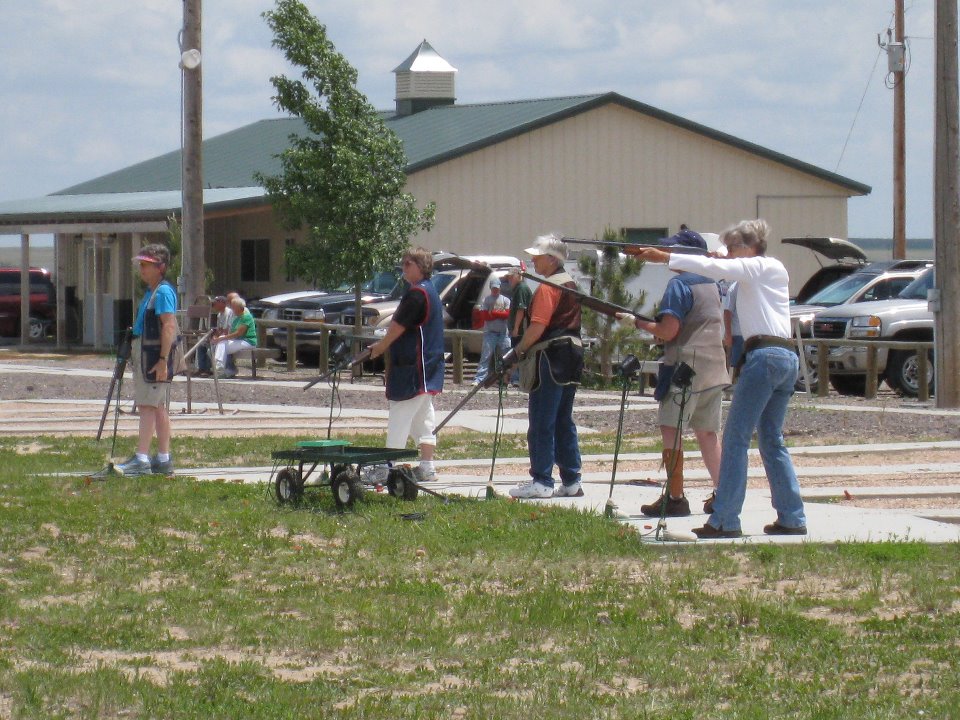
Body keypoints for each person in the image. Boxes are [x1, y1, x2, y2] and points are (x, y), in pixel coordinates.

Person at [630, 219, 807, 538]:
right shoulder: (751, 277)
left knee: (736, 438)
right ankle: (791, 515)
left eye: (731, 249)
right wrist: (714, 260)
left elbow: (722, 271)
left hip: (765, 355)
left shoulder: (763, 266)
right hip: (782, 357)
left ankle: (725, 518)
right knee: (770, 438)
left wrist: (665, 257)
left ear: (749, 248)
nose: (726, 255)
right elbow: (720, 275)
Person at [617, 229, 728, 518]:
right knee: (708, 434)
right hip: (714, 366)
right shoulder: (714, 285)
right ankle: (723, 494)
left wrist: (637, 323)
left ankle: (675, 497)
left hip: (684, 368)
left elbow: (668, 331)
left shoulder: (679, 285)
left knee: (672, 430)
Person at [508, 233, 585, 499]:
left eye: (537, 257)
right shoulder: (570, 283)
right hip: (572, 354)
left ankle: (541, 480)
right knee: (564, 420)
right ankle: (572, 479)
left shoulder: (548, 287)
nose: (533, 262)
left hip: (550, 356)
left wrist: (518, 351)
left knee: (542, 419)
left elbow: (538, 326)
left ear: (552, 260)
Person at [369, 247, 444, 483]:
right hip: (427, 366)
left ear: (420, 267)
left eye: (408, 263)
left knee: (400, 415)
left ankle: (386, 468)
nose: (403, 267)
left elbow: (397, 326)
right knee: (422, 419)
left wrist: (380, 347)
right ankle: (427, 466)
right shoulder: (429, 291)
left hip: (414, 367)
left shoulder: (417, 294)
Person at [115, 243, 179, 477]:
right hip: (148, 354)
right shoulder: (152, 292)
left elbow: (169, 325)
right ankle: (163, 458)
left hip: (152, 356)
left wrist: (162, 359)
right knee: (158, 406)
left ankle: (142, 458)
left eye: (146, 264)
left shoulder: (162, 292)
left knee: (147, 405)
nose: (141, 269)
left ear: (160, 267)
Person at [472, 276, 511, 385]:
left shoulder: (506, 300)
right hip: (490, 333)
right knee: (485, 356)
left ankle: (504, 379)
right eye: (493, 288)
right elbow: (485, 316)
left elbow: (507, 315)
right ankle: (479, 378)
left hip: (503, 333)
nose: (495, 290)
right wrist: (499, 313)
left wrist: (493, 312)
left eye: (497, 288)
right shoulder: (486, 300)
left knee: (504, 357)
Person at [211, 296, 257, 378]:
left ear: (238, 307)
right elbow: (230, 332)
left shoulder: (247, 317)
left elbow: (238, 333)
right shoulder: (236, 318)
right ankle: (221, 368)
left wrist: (221, 338)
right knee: (219, 344)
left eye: (233, 307)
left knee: (222, 342)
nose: (232, 309)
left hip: (248, 341)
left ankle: (219, 367)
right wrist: (219, 338)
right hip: (238, 341)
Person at [504, 266, 533, 385]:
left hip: (521, 329)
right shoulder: (517, 289)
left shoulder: (521, 288)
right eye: (508, 278)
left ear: (518, 276)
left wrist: (516, 327)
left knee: (517, 352)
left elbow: (521, 309)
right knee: (516, 352)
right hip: (519, 329)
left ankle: (516, 378)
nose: (509, 280)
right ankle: (514, 377)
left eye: (511, 277)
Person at [196, 295, 230, 375]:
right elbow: (219, 329)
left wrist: (216, 338)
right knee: (202, 344)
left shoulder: (228, 313)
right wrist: (214, 336)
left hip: (227, 338)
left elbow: (227, 330)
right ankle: (203, 369)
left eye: (215, 303)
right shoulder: (219, 314)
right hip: (220, 336)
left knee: (211, 345)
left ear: (222, 303)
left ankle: (210, 369)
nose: (213, 305)